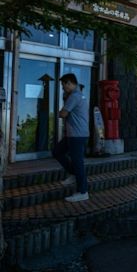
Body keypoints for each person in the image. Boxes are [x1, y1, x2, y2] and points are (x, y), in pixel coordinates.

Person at [52, 73, 89, 202]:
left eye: (63, 86)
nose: (63, 89)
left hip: (76, 135)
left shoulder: (74, 96)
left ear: (69, 83)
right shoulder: (79, 95)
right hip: (75, 134)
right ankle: (73, 173)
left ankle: (83, 192)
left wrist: (59, 111)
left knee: (78, 163)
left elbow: (63, 113)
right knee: (57, 152)